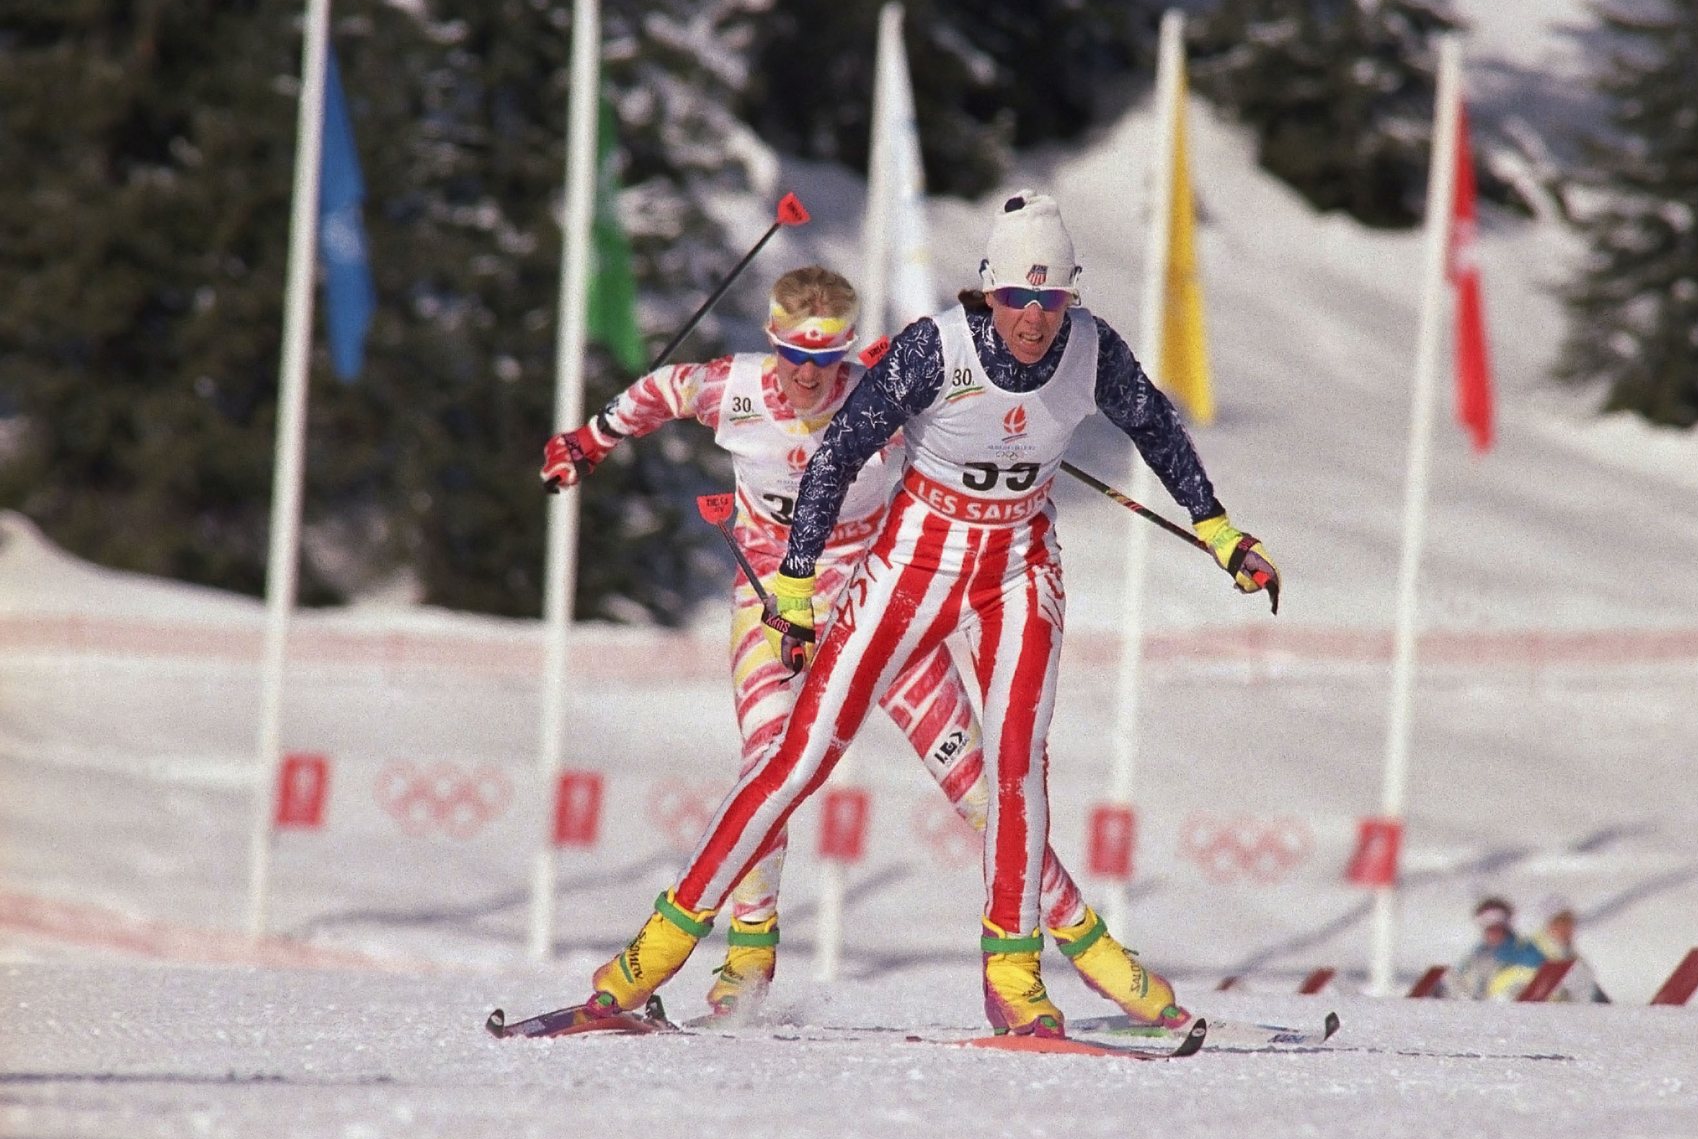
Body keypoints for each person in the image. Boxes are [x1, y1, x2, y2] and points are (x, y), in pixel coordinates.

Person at [583, 194, 1279, 1036]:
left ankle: (1015, 980)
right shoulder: (935, 349)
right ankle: (646, 961)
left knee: (1017, 768)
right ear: (988, 293)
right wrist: (796, 581)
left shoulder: (1090, 350)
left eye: (1052, 300)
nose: (1034, 321)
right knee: (797, 757)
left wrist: (1216, 529)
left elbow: (1154, 426)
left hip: (1018, 572)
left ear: (1071, 299)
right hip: (910, 569)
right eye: (1019, 301)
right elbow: (838, 453)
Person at [1450, 896, 1547, 1000]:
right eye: (1488, 928)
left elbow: (1541, 983)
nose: (1493, 933)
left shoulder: (1526, 951)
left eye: (1497, 928)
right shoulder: (1477, 955)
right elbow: (1458, 980)